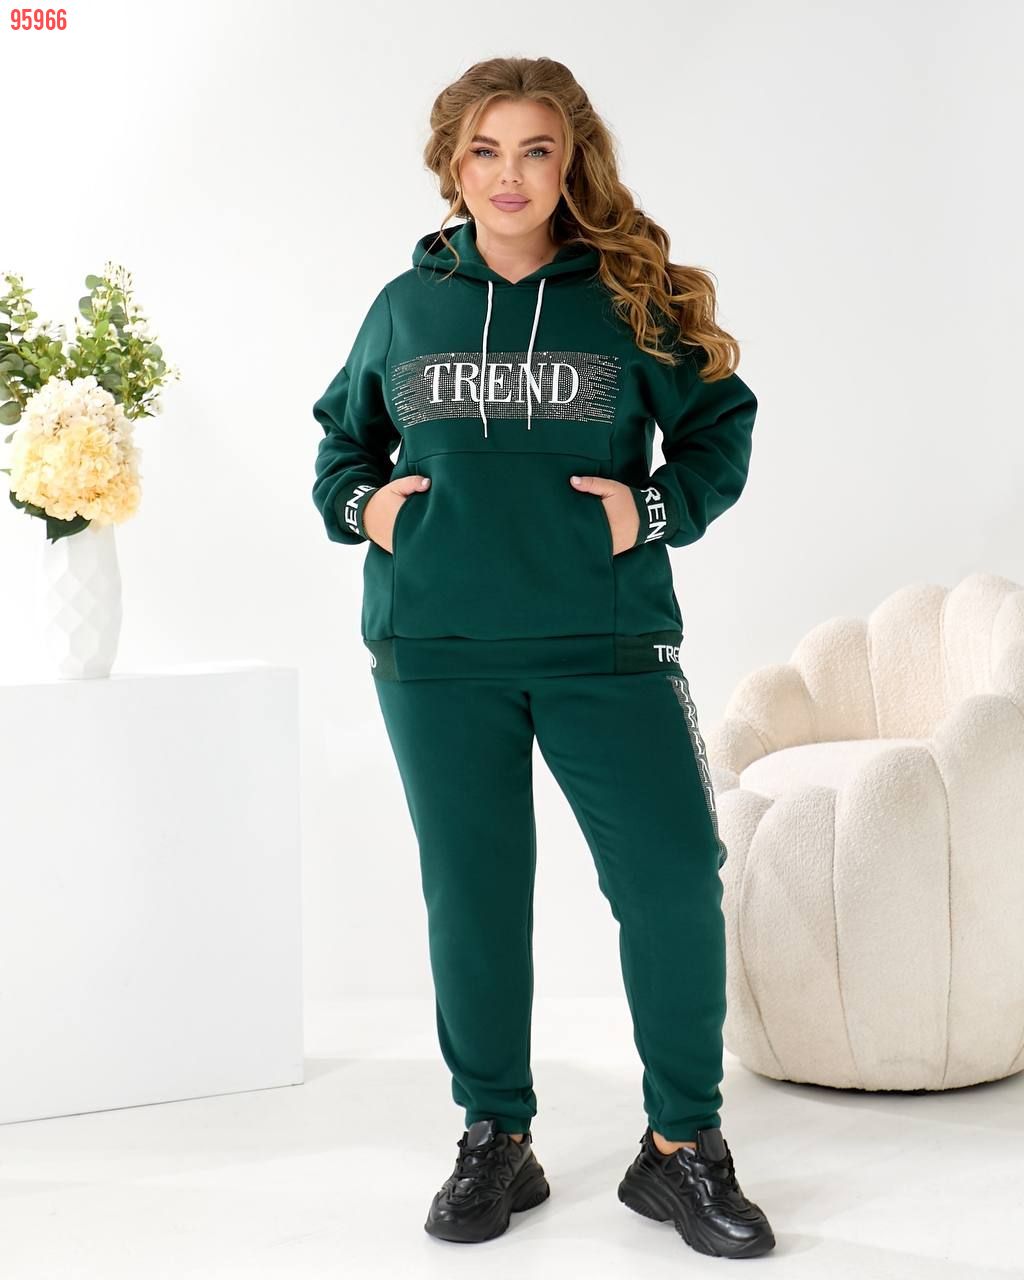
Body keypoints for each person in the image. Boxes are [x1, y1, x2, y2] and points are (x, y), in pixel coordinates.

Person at [311, 56, 775, 1259]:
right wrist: (368, 506)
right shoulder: (405, 305)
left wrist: (651, 509)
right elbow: (339, 445)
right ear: (451, 164)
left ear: (572, 165)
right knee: (472, 896)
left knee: (671, 880)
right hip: (436, 649)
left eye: (535, 150)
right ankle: (495, 1134)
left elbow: (719, 427)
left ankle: (681, 1145)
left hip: (606, 642)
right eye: (485, 150)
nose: (508, 175)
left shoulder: (629, 296)